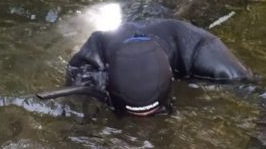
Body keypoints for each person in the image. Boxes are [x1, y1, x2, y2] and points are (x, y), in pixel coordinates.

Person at [39, 18, 252, 116]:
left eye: (155, 113)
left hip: (178, 32)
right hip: (125, 32)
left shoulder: (213, 60)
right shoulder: (91, 62)